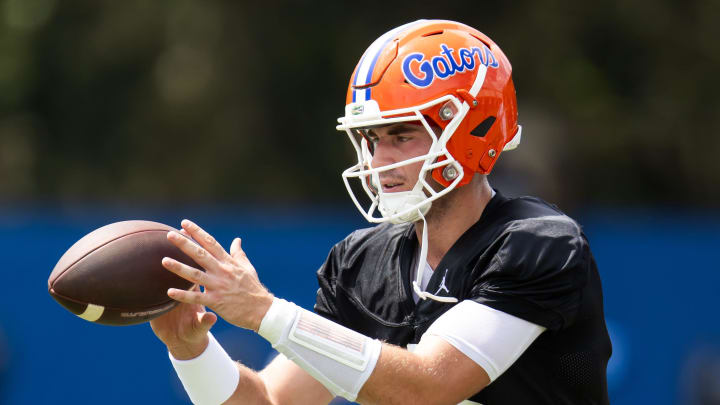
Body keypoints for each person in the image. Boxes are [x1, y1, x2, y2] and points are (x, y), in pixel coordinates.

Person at [150, 19, 611, 405]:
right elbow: (271, 401)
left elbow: (430, 386)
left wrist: (264, 312)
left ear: (470, 131)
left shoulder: (538, 243)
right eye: (371, 140)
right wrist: (191, 351)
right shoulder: (363, 262)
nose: (377, 161)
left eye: (401, 136)